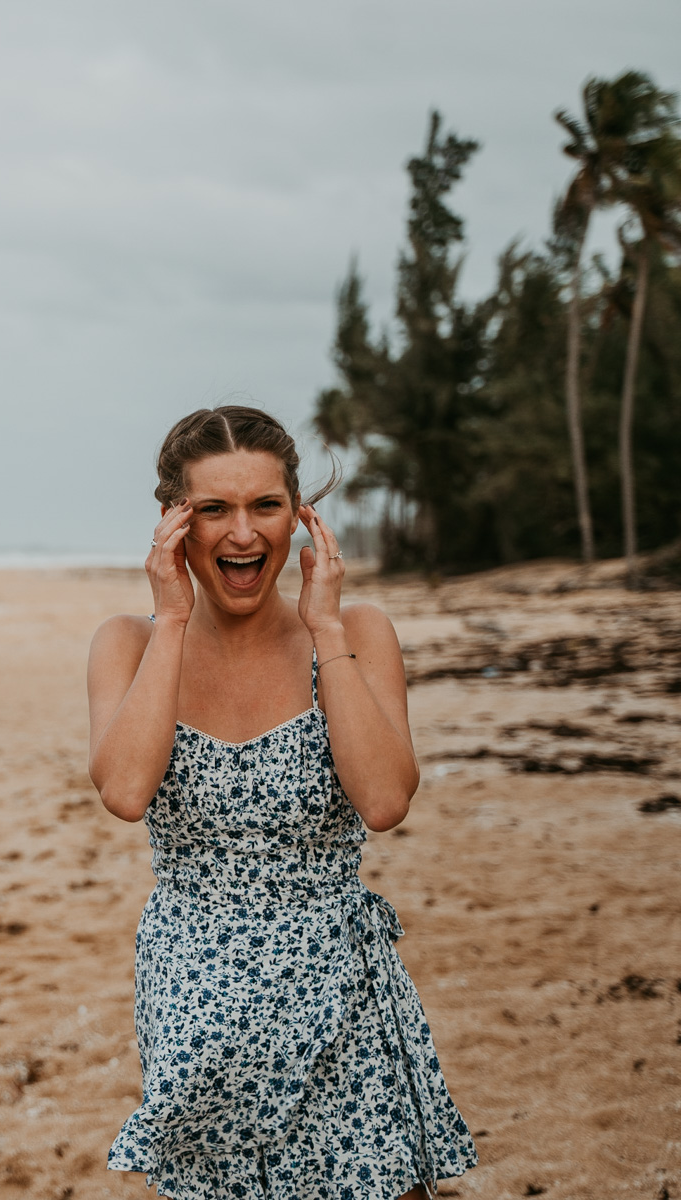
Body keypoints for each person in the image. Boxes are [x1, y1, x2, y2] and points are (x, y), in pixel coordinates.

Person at [86, 406, 475, 1199]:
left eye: (265, 506)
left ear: (298, 515)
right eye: (213, 509)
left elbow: (385, 799)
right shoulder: (127, 642)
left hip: (341, 981)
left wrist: (326, 627)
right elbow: (125, 791)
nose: (242, 533)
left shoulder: (359, 629)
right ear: (173, 522)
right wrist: (171, 620)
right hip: (196, 991)